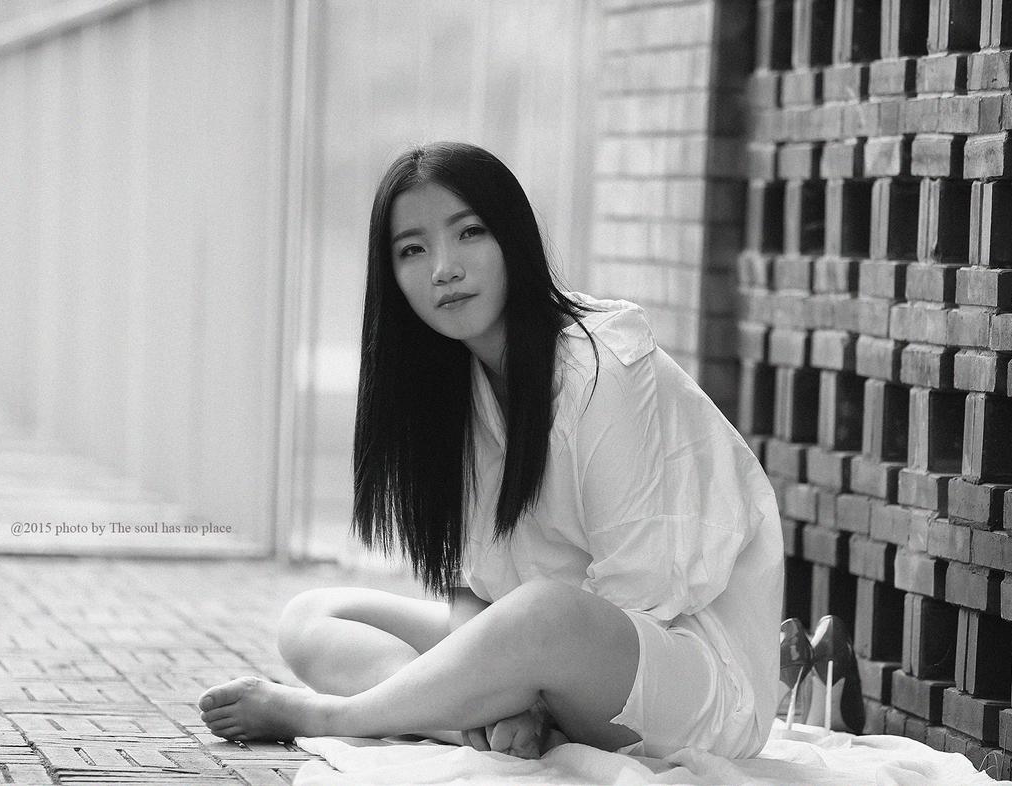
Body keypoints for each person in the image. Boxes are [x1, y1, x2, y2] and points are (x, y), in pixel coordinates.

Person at [198, 141, 785, 761]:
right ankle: (470, 727)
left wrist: (509, 675)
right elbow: (473, 592)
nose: (443, 269)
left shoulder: (603, 368)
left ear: (513, 240)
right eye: (412, 249)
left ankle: (332, 714)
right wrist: (496, 689)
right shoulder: (453, 390)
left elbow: (638, 594)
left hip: (682, 676)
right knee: (312, 616)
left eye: (469, 233)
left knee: (545, 613)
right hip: (535, 652)